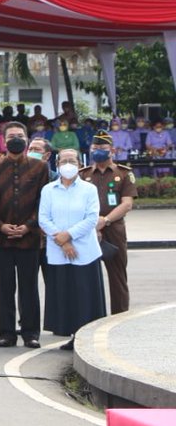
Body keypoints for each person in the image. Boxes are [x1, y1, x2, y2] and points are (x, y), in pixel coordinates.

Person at [0, 121, 51, 348]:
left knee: (29, 287)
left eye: (20, 136)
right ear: (3, 141)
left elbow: (44, 202)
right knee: (5, 287)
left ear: (27, 139)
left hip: (30, 238)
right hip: (2, 238)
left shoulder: (39, 167)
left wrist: (30, 225)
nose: (16, 139)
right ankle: (6, 333)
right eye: (12, 136)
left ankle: (31, 332)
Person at [40, 149, 105, 349]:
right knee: (65, 294)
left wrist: (69, 236)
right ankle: (71, 336)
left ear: (79, 163)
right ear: (57, 164)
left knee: (85, 295)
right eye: (64, 160)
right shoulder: (49, 190)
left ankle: (86, 338)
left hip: (85, 251)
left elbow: (92, 218)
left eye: (72, 160)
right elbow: (43, 218)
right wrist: (63, 241)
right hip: (59, 250)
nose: (68, 164)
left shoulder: (88, 189)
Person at [80, 131, 136, 314]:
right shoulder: (84, 174)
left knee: (117, 276)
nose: (98, 152)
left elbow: (127, 203)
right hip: (88, 231)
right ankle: (90, 315)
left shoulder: (124, 173)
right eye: (95, 148)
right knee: (87, 277)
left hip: (114, 230)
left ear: (112, 150)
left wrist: (105, 220)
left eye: (102, 148)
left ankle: (119, 316)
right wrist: (92, 224)